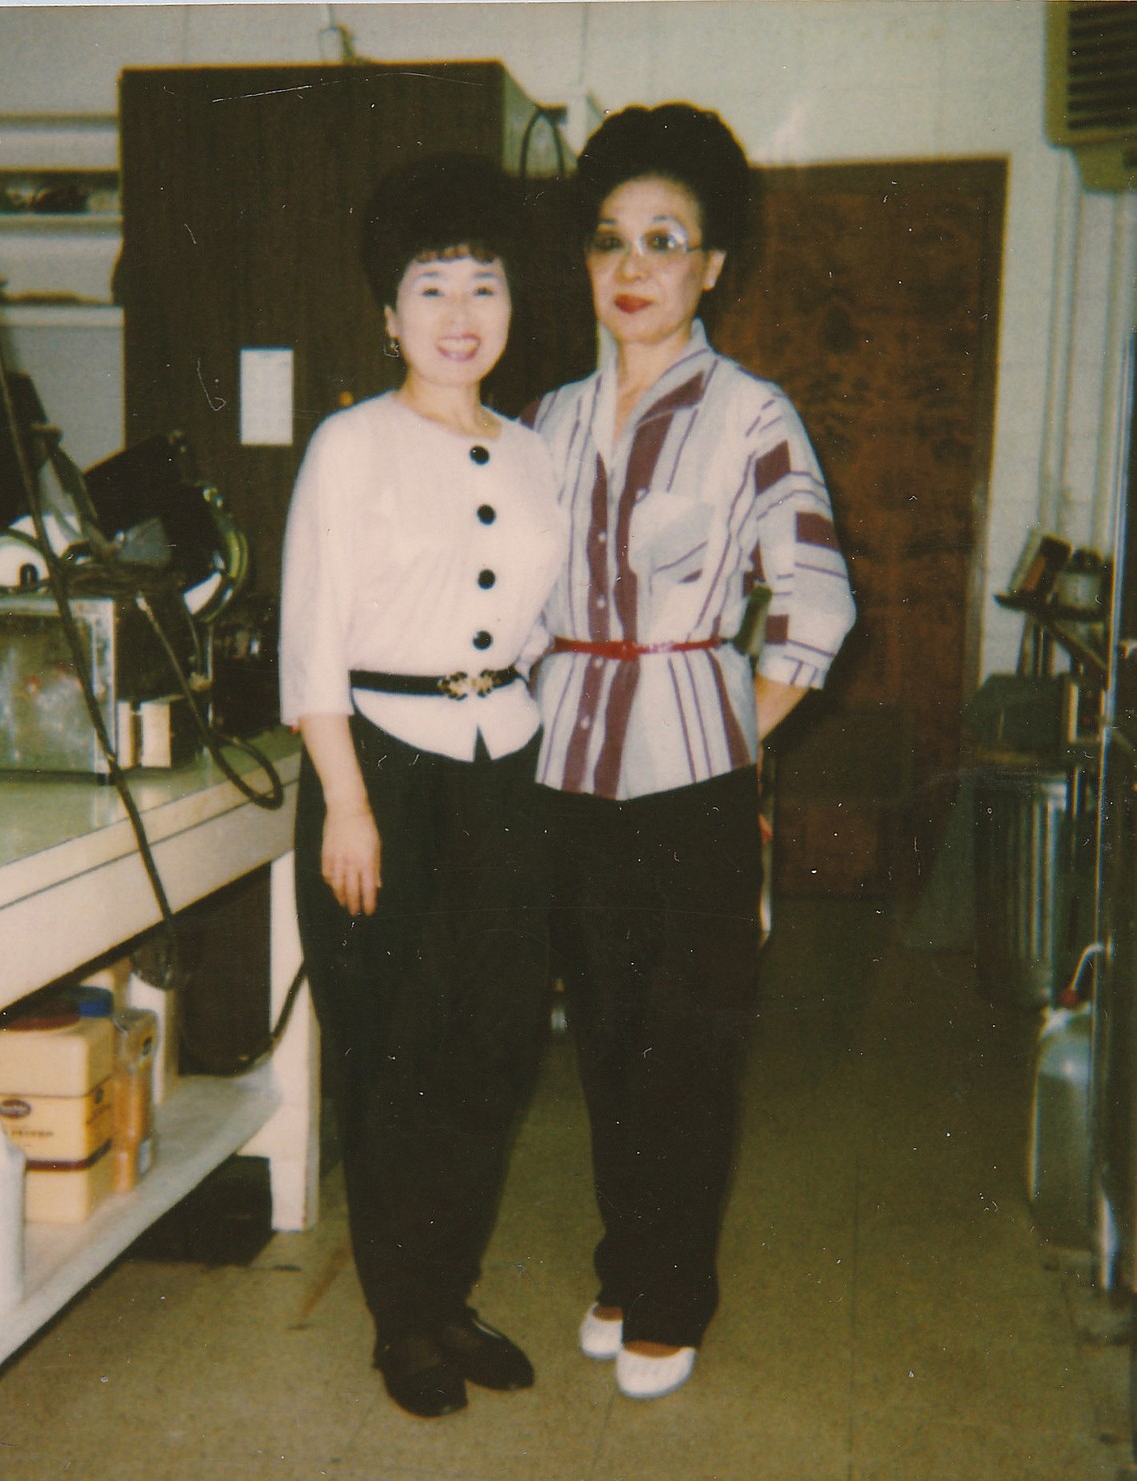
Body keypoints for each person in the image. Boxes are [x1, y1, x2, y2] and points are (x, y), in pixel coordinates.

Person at [527, 104, 856, 1400]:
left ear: (711, 265)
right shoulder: (544, 419)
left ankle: (672, 1294)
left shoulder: (749, 414)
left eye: (663, 239)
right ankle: (623, 1263)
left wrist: (733, 729)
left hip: (692, 780)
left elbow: (815, 600)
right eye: (608, 238)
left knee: (686, 1048)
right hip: (560, 775)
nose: (631, 264)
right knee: (604, 1042)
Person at [280, 153, 567, 1419]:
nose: (461, 311)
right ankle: (403, 1319)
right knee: (390, 1051)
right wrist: (347, 799)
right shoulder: (350, 443)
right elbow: (310, 642)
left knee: (493, 1048)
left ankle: (446, 1289)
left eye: (485, 284)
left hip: (508, 765)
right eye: (432, 285)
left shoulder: (538, 451)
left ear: (512, 307)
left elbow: (551, 625)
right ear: (389, 313)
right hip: (379, 770)